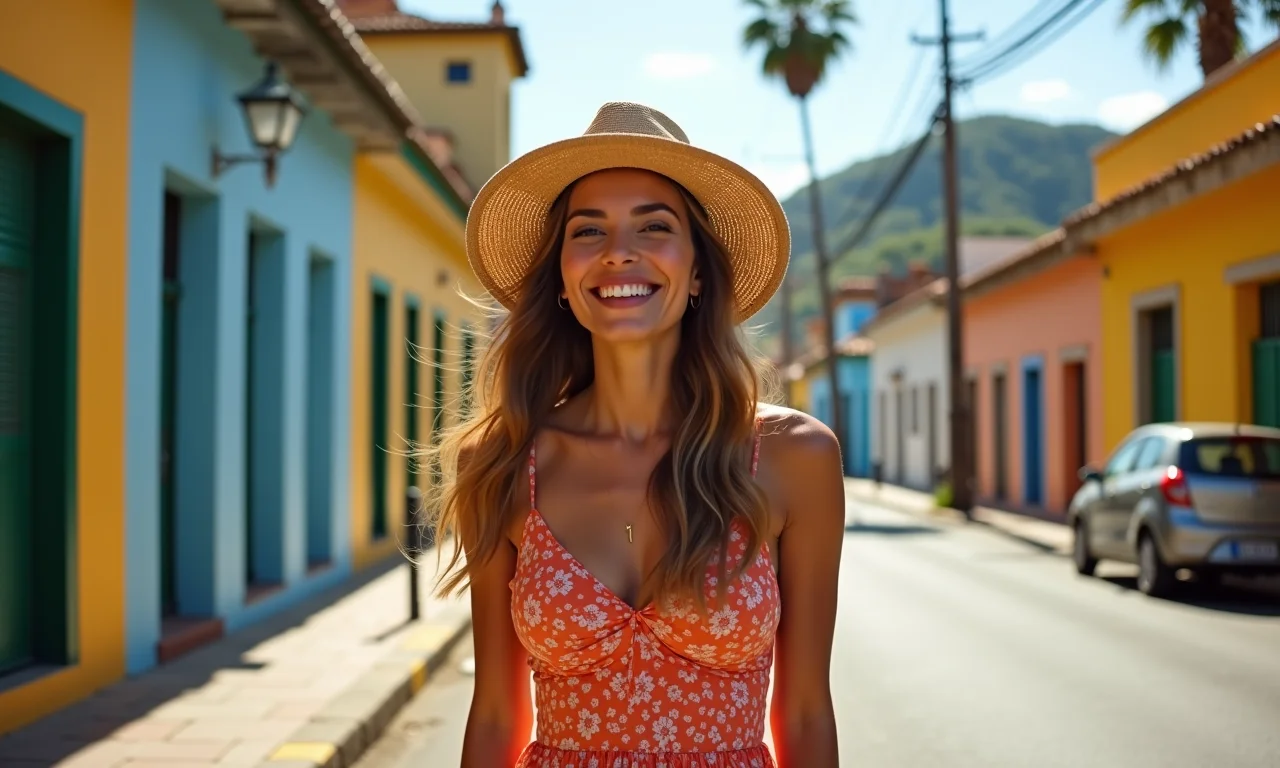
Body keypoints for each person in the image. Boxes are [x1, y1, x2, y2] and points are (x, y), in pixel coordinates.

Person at [428, 102, 845, 768]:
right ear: (563, 278)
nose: (619, 251)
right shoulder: (504, 463)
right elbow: (496, 715)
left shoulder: (794, 457)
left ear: (699, 271)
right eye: (587, 232)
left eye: (654, 226)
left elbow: (804, 713)